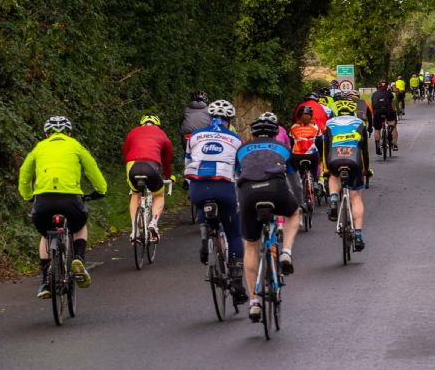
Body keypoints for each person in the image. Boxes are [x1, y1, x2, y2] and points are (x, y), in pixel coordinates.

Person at [18, 116, 107, 299]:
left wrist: (28, 196)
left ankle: (45, 281)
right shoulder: (75, 145)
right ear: (69, 132)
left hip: (43, 200)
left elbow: (24, 174)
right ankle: (79, 258)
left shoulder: (39, 147)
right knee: (79, 226)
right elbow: (92, 169)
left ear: (46, 134)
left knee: (45, 235)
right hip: (70, 199)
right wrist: (100, 191)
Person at [236, 116, 302, 322]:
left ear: (252, 134)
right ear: (275, 134)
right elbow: (295, 181)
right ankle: (286, 252)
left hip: (248, 194)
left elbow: (237, 177)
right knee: (293, 213)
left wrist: (240, 205)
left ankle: (254, 302)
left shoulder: (242, 149)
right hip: (276, 189)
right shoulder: (282, 148)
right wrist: (298, 202)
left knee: (250, 245)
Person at [185, 99, 246, 301]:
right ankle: (237, 280)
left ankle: (205, 234)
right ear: (229, 120)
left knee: (204, 202)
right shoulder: (236, 139)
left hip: (198, 186)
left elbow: (187, 162)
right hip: (223, 185)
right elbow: (239, 171)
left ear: (210, 118)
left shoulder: (194, 136)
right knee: (234, 233)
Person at [322, 100, 370, 251]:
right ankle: (358, 234)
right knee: (356, 197)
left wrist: (326, 170)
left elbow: (326, 148)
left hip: (334, 158)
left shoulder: (329, 123)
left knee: (333, 176)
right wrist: (366, 169)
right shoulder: (359, 123)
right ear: (353, 113)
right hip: (354, 160)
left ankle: (334, 200)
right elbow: (364, 151)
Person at [122, 114, 174, 243]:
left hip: (132, 165)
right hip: (151, 166)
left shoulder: (133, 132)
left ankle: (134, 230)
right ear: (157, 125)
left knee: (135, 194)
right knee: (159, 195)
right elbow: (167, 160)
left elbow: (125, 152)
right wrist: (168, 176)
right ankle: (153, 223)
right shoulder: (162, 134)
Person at [370, 80, 398, 153]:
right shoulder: (389, 93)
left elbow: (372, 105)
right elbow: (392, 105)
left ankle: (378, 147)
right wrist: (394, 112)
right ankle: (394, 143)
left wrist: (374, 114)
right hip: (388, 110)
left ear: (378, 86)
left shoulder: (374, 94)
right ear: (387, 86)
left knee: (377, 129)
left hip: (377, 111)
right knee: (393, 124)